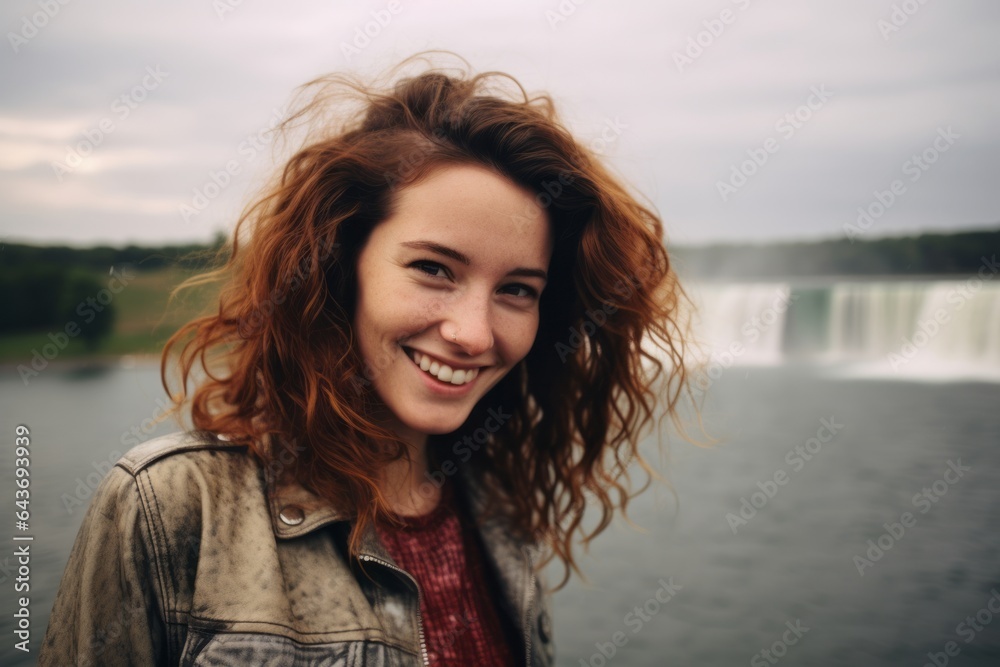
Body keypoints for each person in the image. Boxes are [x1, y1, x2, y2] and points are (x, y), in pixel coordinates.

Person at [39, 54, 693, 666]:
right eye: (434, 268)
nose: (472, 333)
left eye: (517, 289)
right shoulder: (170, 505)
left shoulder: (495, 510)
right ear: (339, 263)